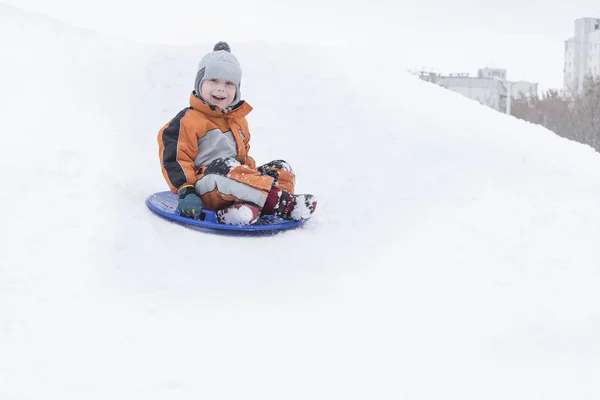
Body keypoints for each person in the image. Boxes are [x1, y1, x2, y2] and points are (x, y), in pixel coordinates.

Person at [157, 41, 317, 225]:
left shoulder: (238, 121)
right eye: (213, 81)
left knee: (280, 168)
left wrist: (255, 174)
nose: (221, 89)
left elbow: (242, 158)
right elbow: (175, 159)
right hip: (203, 190)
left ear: (237, 89)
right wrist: (186, 191)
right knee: (224, 166)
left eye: (229, 83)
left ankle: (242, 211)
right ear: (199, 82)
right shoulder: (188, 121)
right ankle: (284, 205)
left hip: (233, 183)